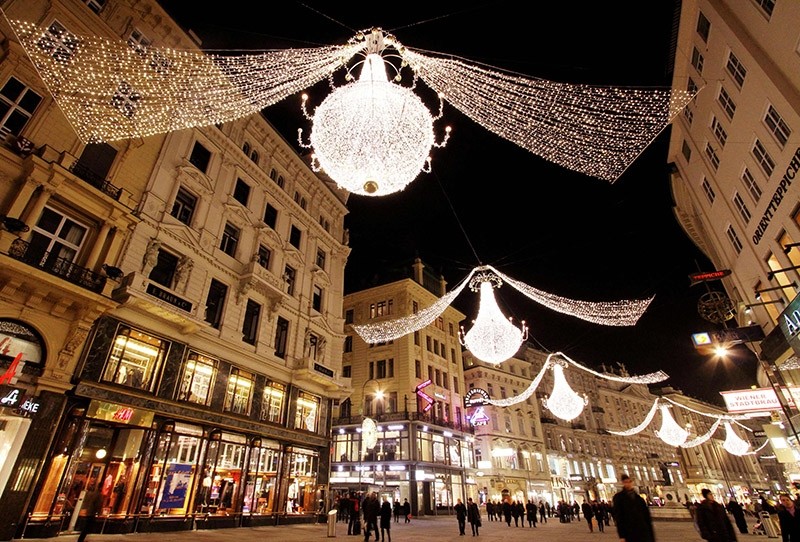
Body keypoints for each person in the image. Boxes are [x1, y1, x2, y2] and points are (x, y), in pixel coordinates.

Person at [612, 474, 655, 542]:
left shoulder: (639, 499)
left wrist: (651, 536)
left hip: (643, 531)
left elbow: (647, 517)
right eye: (626, 482)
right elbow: (619, 517)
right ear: (623, 483)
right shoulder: (619, 498)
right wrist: (622, 535)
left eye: (629, 482)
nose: (628, 484)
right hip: (630, 532)